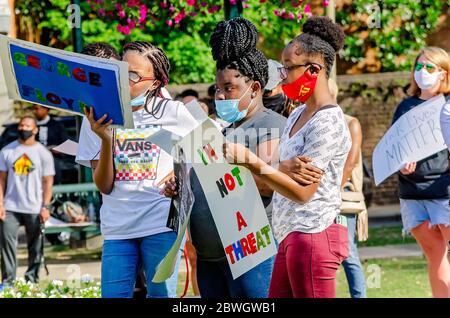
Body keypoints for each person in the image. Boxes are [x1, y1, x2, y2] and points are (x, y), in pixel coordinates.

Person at [223, 16, 351, 298]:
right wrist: (277, 166)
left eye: (288, 69)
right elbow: (281, 172)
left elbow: (303, 193)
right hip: (291, 235)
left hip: (314, 234)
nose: (281, 77)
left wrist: (249, 161)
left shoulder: (327, 121)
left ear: (313, 70)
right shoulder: (296, 115)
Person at [165, 17, 286, 298]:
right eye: (217, 89)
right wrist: (179, 183)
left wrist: (233, 161)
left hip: (250, 254)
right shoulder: (217, 130)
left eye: (228, 88)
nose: (220, 95)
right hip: (209, 257)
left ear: (254, 89)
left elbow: (269, 184)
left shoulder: (271, 125)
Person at [76, 41, 198, 298]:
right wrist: (107, 139)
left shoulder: (173, 112)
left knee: (161, 295)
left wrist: (179, 176)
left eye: (133, 75)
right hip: (118, 229)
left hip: (161, 225)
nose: (124, 80)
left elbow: (207, 155)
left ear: (155, 83)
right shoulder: (95, 118)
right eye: (121, 70)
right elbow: (103, 186)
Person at [392, 47, 450, 298]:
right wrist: (401, 163)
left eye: (429, 67)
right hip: (411, 193)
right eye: (418, 67)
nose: (422, 72)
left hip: (444, 191)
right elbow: (393, 149)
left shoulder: (448, 106)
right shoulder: (405, 106)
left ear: (443, 73)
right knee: (435, 256)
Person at [0, 116, 55, 284]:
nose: (23, 128)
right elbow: (1, 179)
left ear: (35, 129)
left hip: (35, 206)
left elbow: (48, 182)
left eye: (27, 125)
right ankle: (8, 282)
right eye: (21, 125)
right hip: (10, 206)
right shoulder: (7, 151)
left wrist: (45, 206)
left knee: (35, 245)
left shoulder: (43, 153)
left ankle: (31, 280)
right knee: (7, 245)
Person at [329, 78, 368, 298]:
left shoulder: (349, 122)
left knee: (348, 253)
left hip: (341, 198)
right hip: (319, 198)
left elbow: (350, 163)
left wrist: (331, 188)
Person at [31, 105, 68, 185]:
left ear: (46, 109)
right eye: (33, 108)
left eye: (37, 108)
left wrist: (54, 149)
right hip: (35, 163)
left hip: (54, 162)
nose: (34, 111)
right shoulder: (31, 126)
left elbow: (65, 145)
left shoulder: (56, 125)